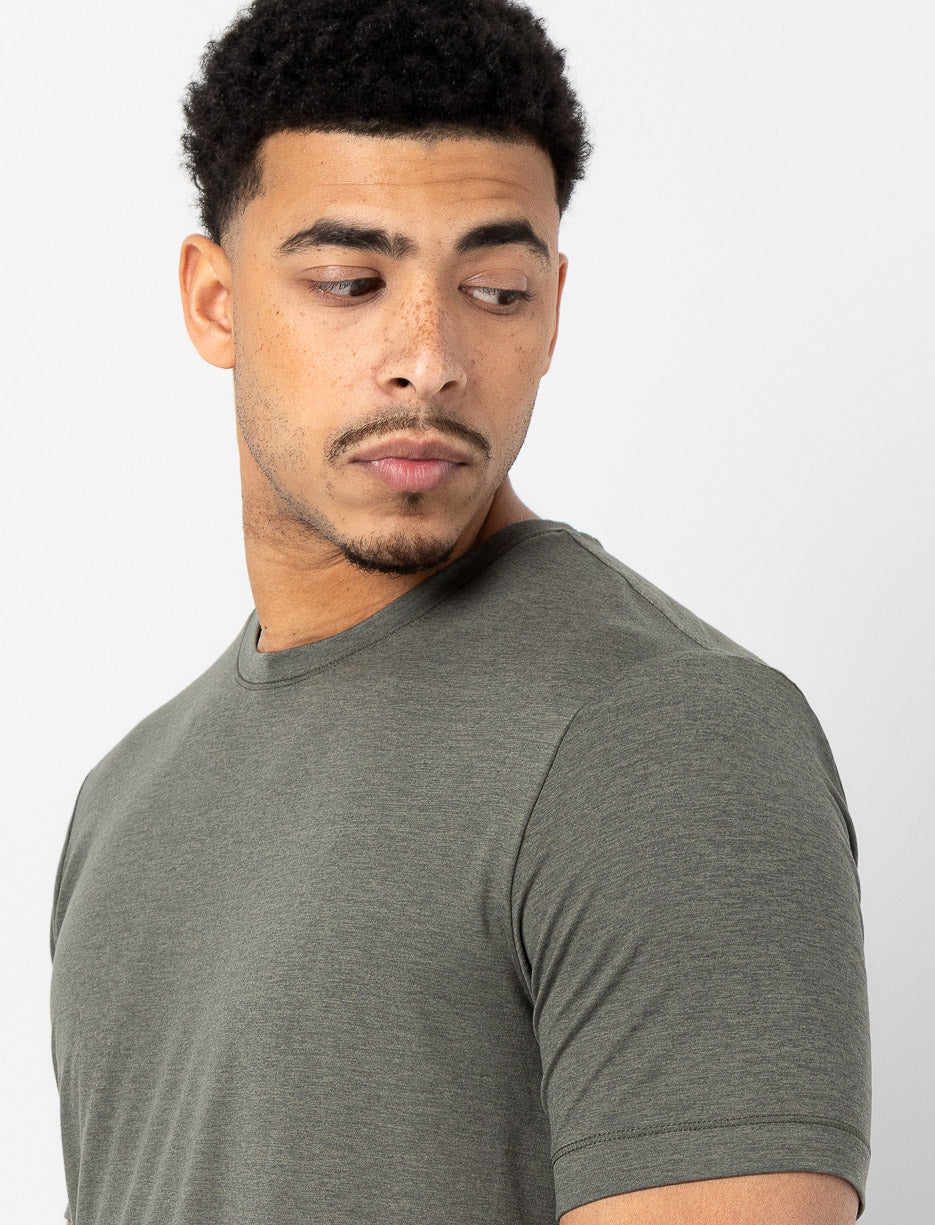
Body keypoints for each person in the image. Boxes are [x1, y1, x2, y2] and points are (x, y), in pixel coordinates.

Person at [48, 0, 871, 1221]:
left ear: (552, 309)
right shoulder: (127, 798)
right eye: (349, 281)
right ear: (214, 302)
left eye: (493, 290)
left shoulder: (665, 738)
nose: (427, 357)